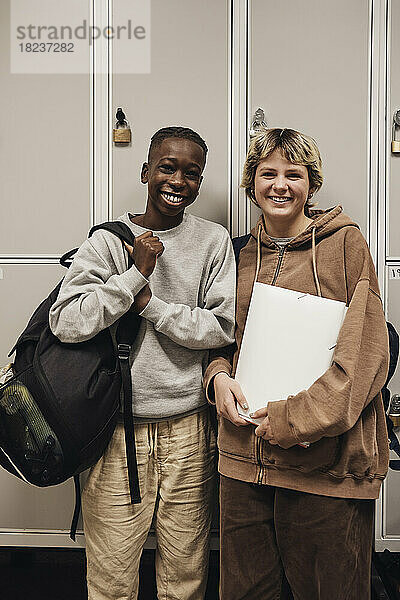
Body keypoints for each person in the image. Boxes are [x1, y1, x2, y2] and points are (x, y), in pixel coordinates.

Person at [49, 126, 236, 600]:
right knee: (111, 579)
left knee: (186, 578)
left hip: (191, 431)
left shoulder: (212, 242)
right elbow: (67, 322)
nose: (178, 180)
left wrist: (150, 306)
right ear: (145, 171)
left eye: (191, 173)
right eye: (167, 167)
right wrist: (134, 277)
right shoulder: (109, 242)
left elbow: (221, 328)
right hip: (115, 433)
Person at [204, 127, 390, 600]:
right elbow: (223, 337)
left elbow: (366, 355)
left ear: (312, 184)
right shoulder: (239, 254)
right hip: (245, 464)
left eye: (294, 174)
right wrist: (218, 377)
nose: (280, 184)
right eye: (268, 173)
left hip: (327, 469)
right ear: (251, 184)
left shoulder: (345, 245)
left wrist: (296, 419)